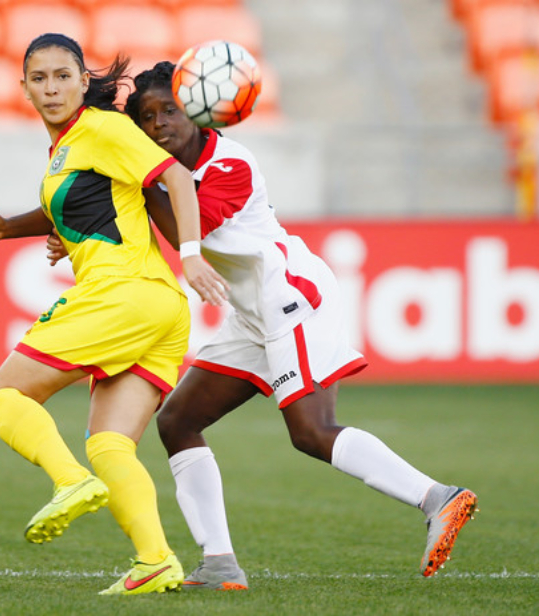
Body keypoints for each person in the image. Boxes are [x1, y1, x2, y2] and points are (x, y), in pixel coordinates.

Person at [51, 61, 479, 589]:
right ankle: (220, 564)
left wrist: (135, 191)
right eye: (147, 116)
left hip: (290, 297)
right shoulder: (163, 175)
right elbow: (144, 207)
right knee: (177, 421)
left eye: (170, 109)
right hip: (251, 313)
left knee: (311, 432)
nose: (160, 123)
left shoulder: (230, 164)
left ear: (201, 113)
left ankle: (438, 497)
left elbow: (184, 225)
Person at [0, 35, 228, 596]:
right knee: (110, 444)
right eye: (40, 78)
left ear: (81, 80)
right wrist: (4, 229)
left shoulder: (100, 128)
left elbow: (173, 176)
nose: (51, 88)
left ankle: (69, 480)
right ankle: (155, 560)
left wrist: (191, 255)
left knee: (4, 397)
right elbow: (93, 209)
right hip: (157, 309)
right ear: (23, 87)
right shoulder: (70, 147)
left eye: (62, 76)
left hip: (123, 294)